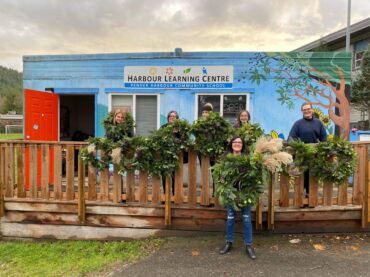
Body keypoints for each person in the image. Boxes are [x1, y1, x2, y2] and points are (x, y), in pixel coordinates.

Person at [219, 136, 256, 260]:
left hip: (245, 193)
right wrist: (222, 179)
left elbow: (254, 176)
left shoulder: (248, 159)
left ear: (243, 145)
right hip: (231, 193)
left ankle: (249, 245)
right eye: (235, 142)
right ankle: (229, 242)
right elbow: (219, 175)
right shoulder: (225, 159)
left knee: (246, 219)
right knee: (230, 218)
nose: (237, 144)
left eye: (240, 142)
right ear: (231, 144)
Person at [288, 102, 327, 195]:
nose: (307, 111)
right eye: (304, 109)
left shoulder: (319, 123)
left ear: (312, 110)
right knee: (301, 178)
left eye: (308, 109)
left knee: (312, 177)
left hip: (314, 156)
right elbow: (290, 138)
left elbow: (324, 139)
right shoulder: (297, 124)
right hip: (300, 157)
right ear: (302, 111)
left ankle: (310, 197)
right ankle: (300, 199)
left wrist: (322, 148)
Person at [161, 110, 179, 194]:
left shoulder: (179, 128)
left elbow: (183, 140)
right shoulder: (163, 127)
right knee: (165, 176)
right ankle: (165, 195)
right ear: (168, 118)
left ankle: (175, 196)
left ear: (177, 118)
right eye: (170, 116)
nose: (172, 118)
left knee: (175, 176)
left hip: (176, 155)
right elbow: (159, 138)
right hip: (164, 156)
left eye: (174, 116)